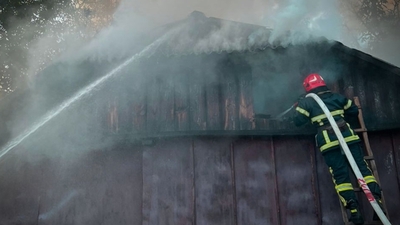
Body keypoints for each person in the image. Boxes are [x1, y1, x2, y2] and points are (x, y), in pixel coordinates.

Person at [292, 73, 384, 225]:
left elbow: (298, 121)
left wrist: (301, 106)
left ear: (307, 88)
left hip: (329, 143)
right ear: (323, 84)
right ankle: (378, 202)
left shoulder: (307, 103)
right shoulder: (338, 98)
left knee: (341, 176)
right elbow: (353, 111)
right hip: (349, 138)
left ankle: (354, 212)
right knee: (363, 169)